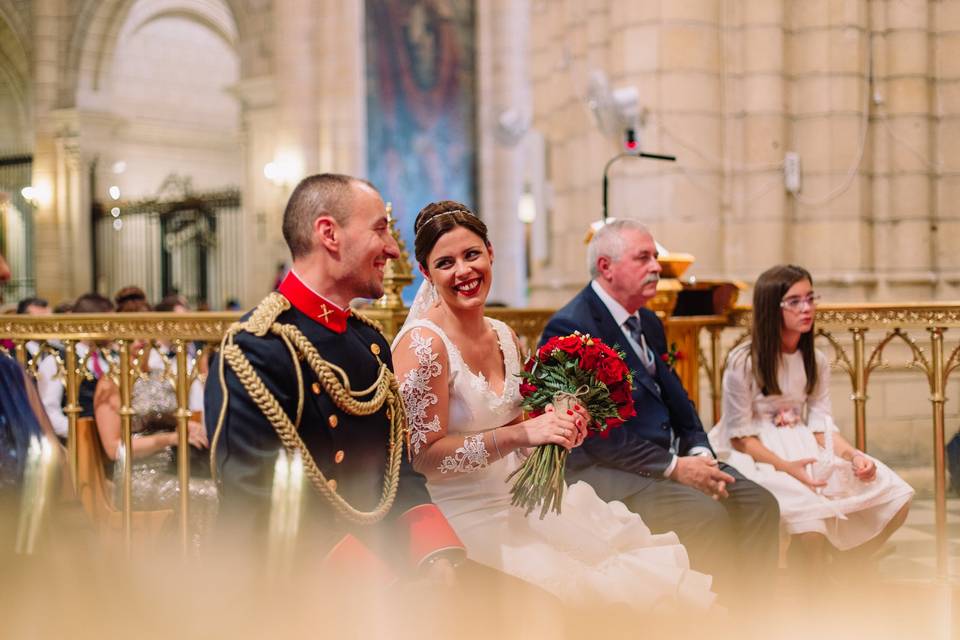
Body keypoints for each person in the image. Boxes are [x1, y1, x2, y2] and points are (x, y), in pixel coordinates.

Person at [392, 201, 715, 613]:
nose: (464, 272)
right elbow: (421, 458)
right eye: (446, 263)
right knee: (580, 591)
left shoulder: (504, 335)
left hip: (522, 498)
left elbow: (521, 426)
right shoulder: (424, 345)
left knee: (621, 561)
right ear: (426, 273)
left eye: (472, 255)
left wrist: (558, 428)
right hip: (463, 512)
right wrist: (520, 435)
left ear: (490, 252)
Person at [205, 174, 465, 581]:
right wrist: (382, 588)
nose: (392, 249)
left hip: (387, 562)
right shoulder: (256, 350)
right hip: (299, 583)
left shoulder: (370, 343)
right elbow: (260, 507)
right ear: (329, 234)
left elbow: (398, 475)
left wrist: (435, 557)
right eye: (380, 229)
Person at [540, 219, 780, 599]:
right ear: (607, 267)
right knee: (706, 515)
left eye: (655, 256)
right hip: (606, 470)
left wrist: (699, 452)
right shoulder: (572, 328)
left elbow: (677, 400)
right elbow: (599, 435)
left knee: (759, 503)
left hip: (668, 459)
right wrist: (675, 467)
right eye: (644, 258)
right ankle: (714, 616)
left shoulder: (648, 321)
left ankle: (755, 613)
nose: (656, 266)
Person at [708, 264, 913, 575]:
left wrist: (854, 455)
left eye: (810, 298)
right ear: (771, 307)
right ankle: (810, 593)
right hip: (756, 452)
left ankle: (842, 564)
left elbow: (821, 425)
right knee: (812, 527)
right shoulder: (744, 361)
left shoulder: (815, 360)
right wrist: (787, 467)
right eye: (794, 301)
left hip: (802, 443)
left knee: (895, 494)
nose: (806, 309)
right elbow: (739, 435)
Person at [92, 289, 216, 545]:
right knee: (208, 494)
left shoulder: (159, 375)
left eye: (146, 329)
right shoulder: (111, 382)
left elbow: (170, 418)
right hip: (139, 476)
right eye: (132, 331)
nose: (140, 339)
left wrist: (189, 427)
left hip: (178, 466)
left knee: (226, 489)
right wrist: (170, 438)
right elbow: (115, 449)